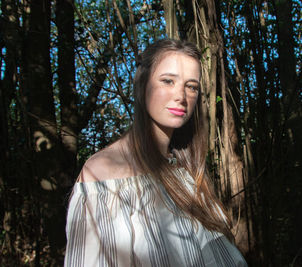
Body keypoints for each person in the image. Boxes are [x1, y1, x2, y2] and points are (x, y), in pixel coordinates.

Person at [64, 38, 247, 267]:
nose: (181, 96)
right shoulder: (104, 175)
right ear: (142, 86)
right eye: (168, 81)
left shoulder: (186, 169)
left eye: (191, 86)